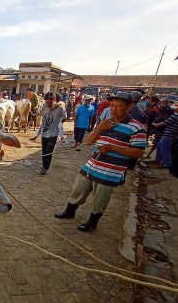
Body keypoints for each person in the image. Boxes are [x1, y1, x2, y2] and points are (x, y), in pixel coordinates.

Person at [54, 92, 147, 232]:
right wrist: (100, 128)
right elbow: (88, 141)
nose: (114, 109)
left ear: (129, 107)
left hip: (111, 170)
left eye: (119, 106)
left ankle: (92, 222)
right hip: (93, 164)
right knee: (79, 188)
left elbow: (138, 152)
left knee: (100, 197)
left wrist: (113, 147)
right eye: (112, 105)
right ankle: (70, 211)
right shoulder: (106, 123)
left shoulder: (136, 128)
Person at [29, 92, 66, 175]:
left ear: (53, 100)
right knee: (44, 151)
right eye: (46, 100)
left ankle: (45, 168)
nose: (48, 102)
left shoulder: (60, 108)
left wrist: (58, 124)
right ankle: (44, 165)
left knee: (49, 151)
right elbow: (41, 117)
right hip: (44, 133)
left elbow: (64, 117)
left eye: (50, 101)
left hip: (53, 133)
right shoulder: (43, 107)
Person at [153, 102, 178, 168]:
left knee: (164, 149)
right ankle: (157, 160)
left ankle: (166, 164)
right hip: (176, 135)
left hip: (168, 135)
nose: (177, 108)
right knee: (160, 147)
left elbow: (163, 123)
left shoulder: (177, 116)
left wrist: (153, 124)